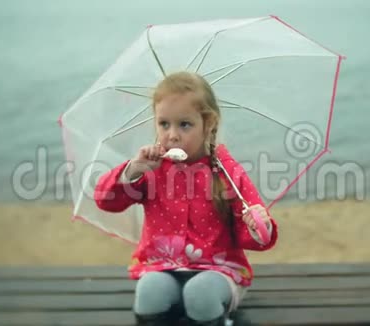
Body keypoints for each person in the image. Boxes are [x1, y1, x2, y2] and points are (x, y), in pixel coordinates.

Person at [94, 71, 278, 326]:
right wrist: (132, 170)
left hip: (217, 271)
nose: (172, 135)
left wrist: (259, 225)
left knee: (199, 294)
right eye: (164, 124)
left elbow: (253, 239)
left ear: (209, 123)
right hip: (163, 266)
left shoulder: (227, 172)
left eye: (185, 124)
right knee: (149, 293)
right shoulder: (151, 168)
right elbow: (105, 200)